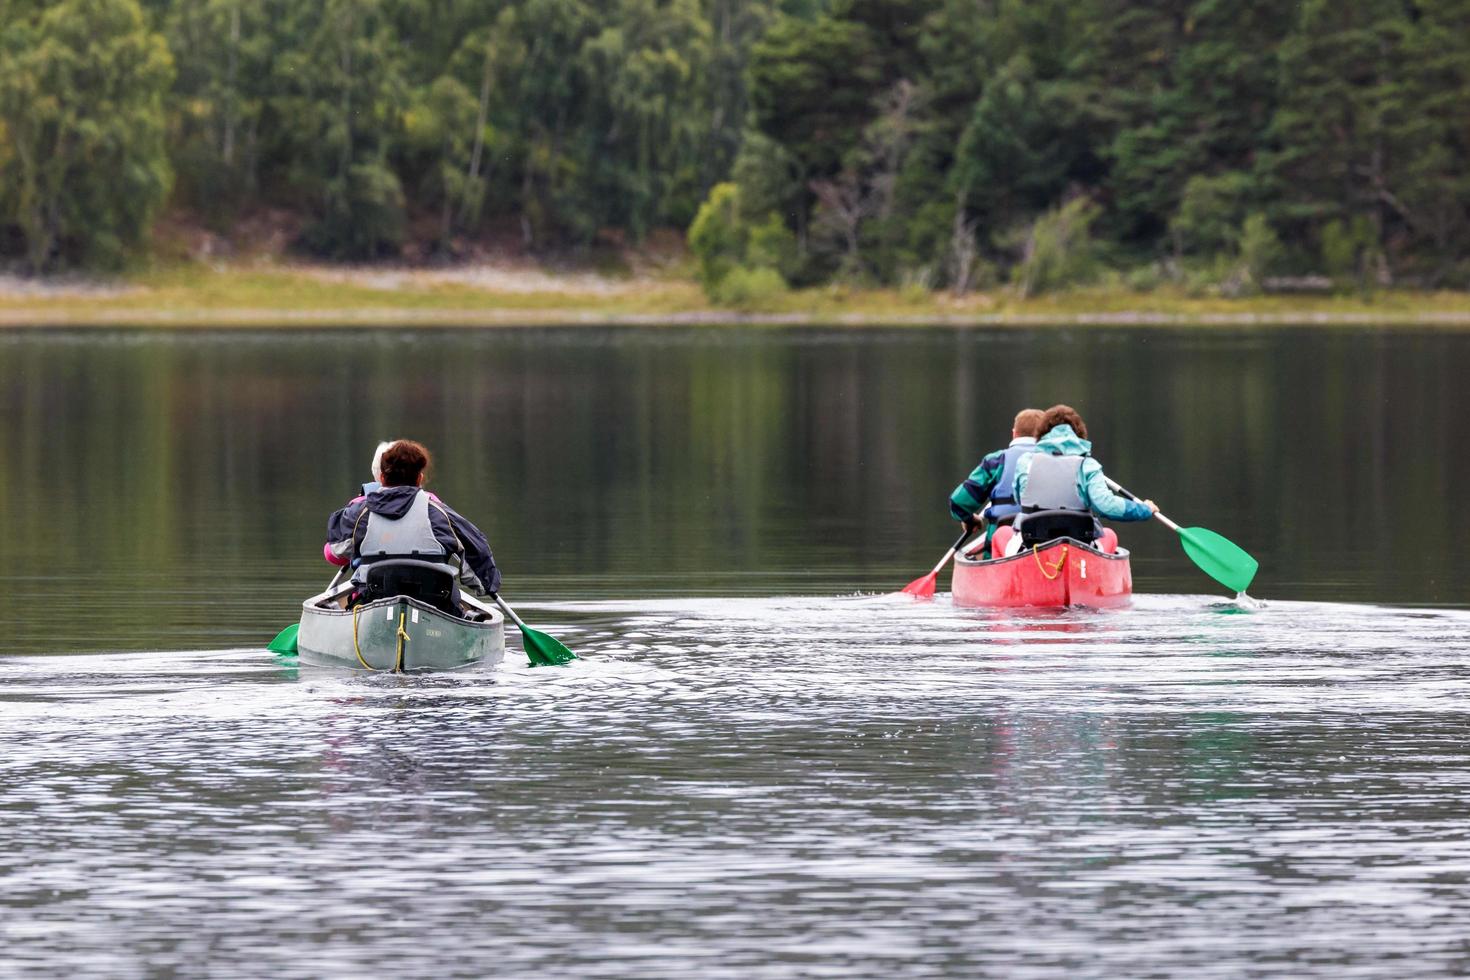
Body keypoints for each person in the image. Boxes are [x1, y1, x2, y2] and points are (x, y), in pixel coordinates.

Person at [325, 440, 500, 610]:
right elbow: (479, 556)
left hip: (373, 602)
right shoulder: (440, 514)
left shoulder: (358, 513)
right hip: (435, 603)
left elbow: (334, 551)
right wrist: (485, 586)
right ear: (419, 478)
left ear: (382, 478)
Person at [1002, 404, 1156, 555]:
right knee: (1109, 535)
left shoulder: (1025, 462)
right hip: (1080, 545)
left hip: (1033, 545)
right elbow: (1106, 506)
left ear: (1041, 433)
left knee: (1001, 534)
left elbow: (1020, 499)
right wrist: (1144, 510)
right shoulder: (1088, 465)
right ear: (1079, 434)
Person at [948, 408, 1046, 558]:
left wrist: (969, 519)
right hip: (1047, 540)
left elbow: (958, 502)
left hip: (1000, 546)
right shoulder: (1058, 461)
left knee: (995, 543)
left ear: (1014, 433)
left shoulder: (996, 461)